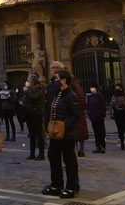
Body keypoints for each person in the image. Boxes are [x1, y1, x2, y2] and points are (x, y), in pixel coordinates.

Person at [42, 68, 80, 199]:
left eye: (57, 79)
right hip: (55, 133)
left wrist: (64, 126)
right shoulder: (57, 93)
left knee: (69, 161)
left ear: (64, 80)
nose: (55, 81)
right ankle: (56, 185)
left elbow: (76, 115)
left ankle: (70, 187)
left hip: (66, 134)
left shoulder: (71, 95)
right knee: (53, 156)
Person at [24, 73, 45, 160]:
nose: (28, 82)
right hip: (29, 113)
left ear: (33, 81)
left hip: (37, 113)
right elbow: (27, 99)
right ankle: (32, 153)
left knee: (38, 134)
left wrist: (27, 91)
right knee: (32, 134)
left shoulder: (39, 89)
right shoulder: (30, 89)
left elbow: (34, 97)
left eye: (29, 81)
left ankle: (41, 153)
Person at [110, 84, 125, 151]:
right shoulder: (114, 97)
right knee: (120, 130)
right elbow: (112, 105)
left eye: (119, 88)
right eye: (116, 88)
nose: (118, 90)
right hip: (117, 114)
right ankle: (122, 143)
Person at [87, 84, 106, 153]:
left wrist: (100, 114)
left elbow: (103, 107)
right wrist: (89, 114)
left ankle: (103, 146)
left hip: (99, 117)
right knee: (96, 133)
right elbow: (88, 106)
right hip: (93, 117)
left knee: (101, 132)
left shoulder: (100, 97)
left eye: (93, 88)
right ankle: (97, 146)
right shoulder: (90, 97)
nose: (92, 89)